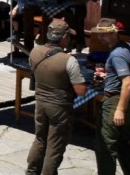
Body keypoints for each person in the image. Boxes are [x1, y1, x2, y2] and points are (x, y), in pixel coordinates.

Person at [25, 20, 88, 175]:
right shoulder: (69, 61)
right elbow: (80, 91)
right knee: (55, 146)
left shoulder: (34, 51)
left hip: (40, 103)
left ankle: (31, 172)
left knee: (40, 139)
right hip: (59, 107)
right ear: (64, 37)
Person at [91, 18, 130, 175]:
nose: (100, 38)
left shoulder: (117, 55)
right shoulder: (129, 47)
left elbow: (128, 83)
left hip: (115, 101)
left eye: (104, 34)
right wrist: (110, 75)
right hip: (127, 100)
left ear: (115, 34)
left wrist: (119, 109)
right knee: (121, 144)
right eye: (99, 34)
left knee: (105, 146)